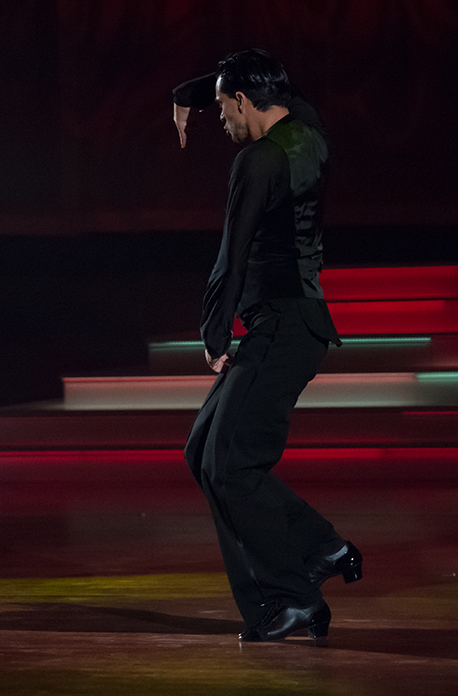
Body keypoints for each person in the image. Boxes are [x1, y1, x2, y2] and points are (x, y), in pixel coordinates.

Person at [172, 50, 362, 642]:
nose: (221, 119)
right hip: (294, 324)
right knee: (203, 450)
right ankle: (321, 548)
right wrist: (194, 90)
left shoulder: (256, 161)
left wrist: (213, 330)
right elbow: (279, 73)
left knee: (229, 465)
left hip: (279, 325)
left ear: (245, 102)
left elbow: (233, 251)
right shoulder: (310, 130)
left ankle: (290, 598)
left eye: (223, 107)